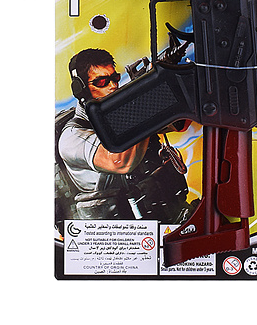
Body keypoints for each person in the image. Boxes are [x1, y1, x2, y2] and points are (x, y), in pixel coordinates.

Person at [57, 48, 192, 223]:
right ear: (80, 90)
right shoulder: (72, 137)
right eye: (102, 81)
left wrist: (170, 83)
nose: (113, 86)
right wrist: (143, 100)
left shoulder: (119, 115)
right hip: (122, 230)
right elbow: (120, 162)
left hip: (170, 214)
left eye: (115, 78)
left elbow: (180, 123)